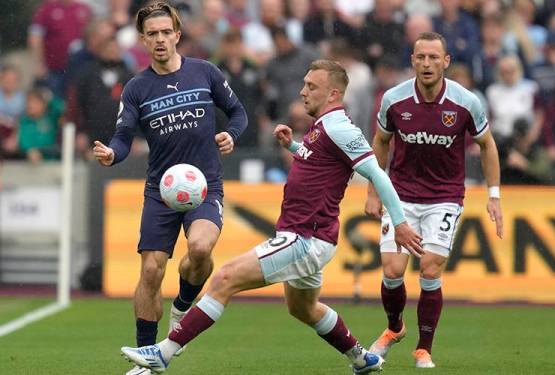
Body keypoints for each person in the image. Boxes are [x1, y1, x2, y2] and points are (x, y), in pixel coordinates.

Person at [120, 59, 424, 374]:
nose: (303, 92)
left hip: (305, 237)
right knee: (303, 308)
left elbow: (377, 173)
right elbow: (320, 164)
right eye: (304, 83)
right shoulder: (323, 125)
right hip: (311, 235)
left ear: (333, 94)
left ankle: (165, 352)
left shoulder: (339, 127)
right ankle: (362, 359)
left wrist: (399, 223)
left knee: (225, 278)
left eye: (311, 86)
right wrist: (291, 144)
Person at [91, 3, 248, 375]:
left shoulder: (205, 72)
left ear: (177, 34)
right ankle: (147, 356)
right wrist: (112, 154)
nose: (160, 39)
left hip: (204, 186)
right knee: (150, 271)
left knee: (200, 247)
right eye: (152, 34)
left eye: (166, 32)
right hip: (161, 192)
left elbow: (238, 112)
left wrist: (231, 134)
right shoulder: (137, 88)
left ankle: (183, 302)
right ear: (143, 40)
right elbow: (123, 136)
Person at [364, 32, 503, 369]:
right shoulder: (394, 100)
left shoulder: (466, 102)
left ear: (446, 62)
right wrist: (372, 189)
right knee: (393, 269)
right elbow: (380, 142)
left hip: (444, 196)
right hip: (400, 196)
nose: (427, 64)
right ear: (412, 60)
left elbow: (488, 145)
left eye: (433, 58)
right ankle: (395, 328)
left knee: (430, 266)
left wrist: (494, 195)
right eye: (420, 57)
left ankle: (423, 348)